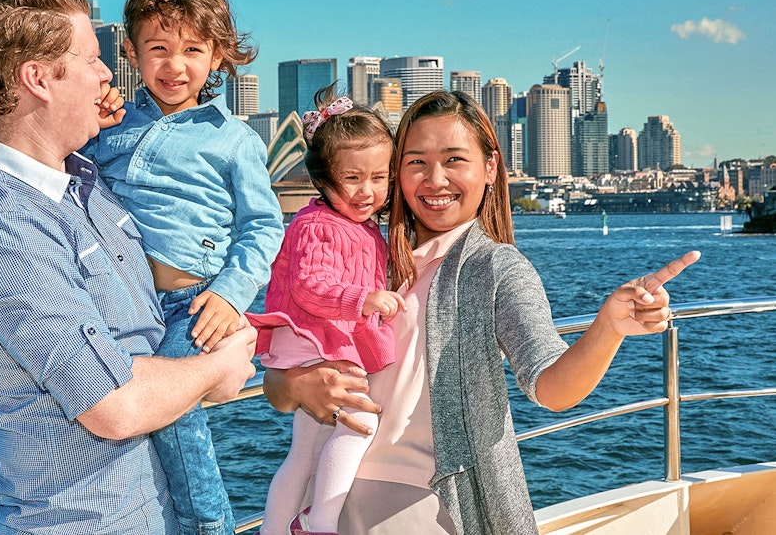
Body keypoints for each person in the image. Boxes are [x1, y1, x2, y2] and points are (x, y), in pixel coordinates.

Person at [263, 90, 700, 535]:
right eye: (416, 162)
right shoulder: (366, 252)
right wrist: (291, 381)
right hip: (320, 501)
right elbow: (282, 387)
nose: (435, 179)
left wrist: (608, 328)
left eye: (454, 160)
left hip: (421, 505)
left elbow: (551, 386)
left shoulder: (495, 268)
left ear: (490, 168)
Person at [0, 0, 257, 535]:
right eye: (90, 59)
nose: (108, 71)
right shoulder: (0, 231)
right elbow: (115, 405)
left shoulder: (86, 180)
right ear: (38, 77)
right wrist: (218, 367)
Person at [80, 0, 284, 535]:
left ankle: (207, 526)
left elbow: (263, 226)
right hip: (120, 301)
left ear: (218, 56)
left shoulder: (234, 139)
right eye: (158, 49)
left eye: (193, 50)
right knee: (108, 412)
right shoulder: (111, 126)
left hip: (193, 304)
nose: (174, 65)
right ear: (132, 54)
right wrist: (86, 120)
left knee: (172, 412)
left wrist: (230, 294)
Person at [247, 83, 404, 535]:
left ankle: (274, 529)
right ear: (323, 179)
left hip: (314, 343)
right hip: (319, 342)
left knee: (305, 452)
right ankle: (321, 522)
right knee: (359, 425)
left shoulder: (361, 227)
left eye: (378, 178)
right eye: (352, 179)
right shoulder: (318, 226)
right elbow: (311, 286)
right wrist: (363, 301)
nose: (367, 191)